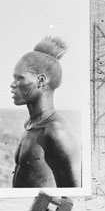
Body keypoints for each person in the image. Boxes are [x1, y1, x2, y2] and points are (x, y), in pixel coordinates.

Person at [10, 37, 81, 188]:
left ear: (40, 81)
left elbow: (74, 194)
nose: (13, 84)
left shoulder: (56, 131)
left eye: (19, 78)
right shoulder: (31, 125)